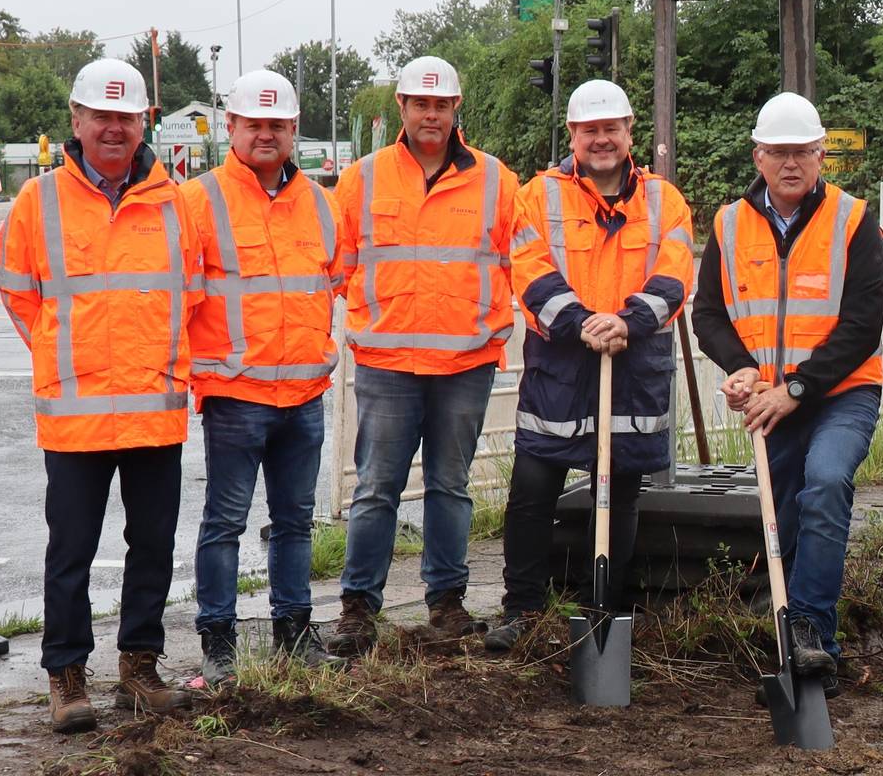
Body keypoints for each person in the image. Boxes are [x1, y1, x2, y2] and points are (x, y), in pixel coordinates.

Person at [0, 58, 203, 733]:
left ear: (143, 123)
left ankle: (139, 670)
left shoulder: (178, 203)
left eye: (125, 117)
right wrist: (65, 352)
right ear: (76, 122)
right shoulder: (39, 201)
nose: (113, 128)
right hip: (76, 416)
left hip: (153, 408)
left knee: (152, 545)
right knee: (72, 551)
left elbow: (193, 295)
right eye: (100, 116)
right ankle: (67, 676)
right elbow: (19, 291)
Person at [689, 92, 883, 692]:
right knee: (784, 518)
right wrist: (742, 368)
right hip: (768, 399)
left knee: (826, 483)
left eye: (802, 151)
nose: (791, 163)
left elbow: (862, 325)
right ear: (758, 156)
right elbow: (709, 316)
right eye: (779, 152)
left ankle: (807, 627)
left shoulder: (854, 220)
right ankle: (812, 651)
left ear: (822, 154)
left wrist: (797, 387)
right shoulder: (727, 225)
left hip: (842, 393)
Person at [326, 55, 522, 656]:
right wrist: (371, 315)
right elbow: (338, 263)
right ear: (402, 109)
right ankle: (359, 607)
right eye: (420, 104)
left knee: (449, 486)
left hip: (465, 364)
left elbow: (521, 263)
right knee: (377, 488)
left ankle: (447, 604)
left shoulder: (496, 181)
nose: (430, 114)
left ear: (456, 110)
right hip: (387, 363)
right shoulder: (362, 178)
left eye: (441, 105)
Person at [490, 79, 696, 645]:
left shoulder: (664, 200)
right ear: (573, 136)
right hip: (562, 362)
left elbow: (676, 273)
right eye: (590, 131)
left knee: (620, 491)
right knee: (533, 487)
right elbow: (528, 268)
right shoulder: (538, 195)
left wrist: (628, 321)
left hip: (633, 364)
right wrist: (582, 324)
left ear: (630, 131)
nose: (601, 140)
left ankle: (603, 607)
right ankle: (522, 611)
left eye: (611, 128)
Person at [184, 69, 341, 683]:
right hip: (235, 395)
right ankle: (218, 641)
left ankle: (294, 631)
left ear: (294, 129)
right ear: (232, 128)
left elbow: (337, 281)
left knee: (295, 523)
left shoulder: (322, 204)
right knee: (224, 523)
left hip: (304, 395)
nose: (266, 135)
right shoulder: (199, 200)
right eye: (255, 125)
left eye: (277, 125)